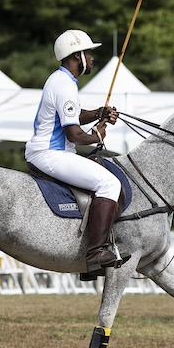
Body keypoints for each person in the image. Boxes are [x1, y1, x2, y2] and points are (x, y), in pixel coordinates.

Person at [24, 29, 127, 276]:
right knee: (110, 184)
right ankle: (95, 253)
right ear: (77, 56)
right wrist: (98, 136)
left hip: (48, 153)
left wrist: (98, 113)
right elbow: (74, 135)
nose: (92, 58)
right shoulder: (64, 85)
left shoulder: (62, 80)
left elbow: (74, 115)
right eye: (89, 53)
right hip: (51, 154)